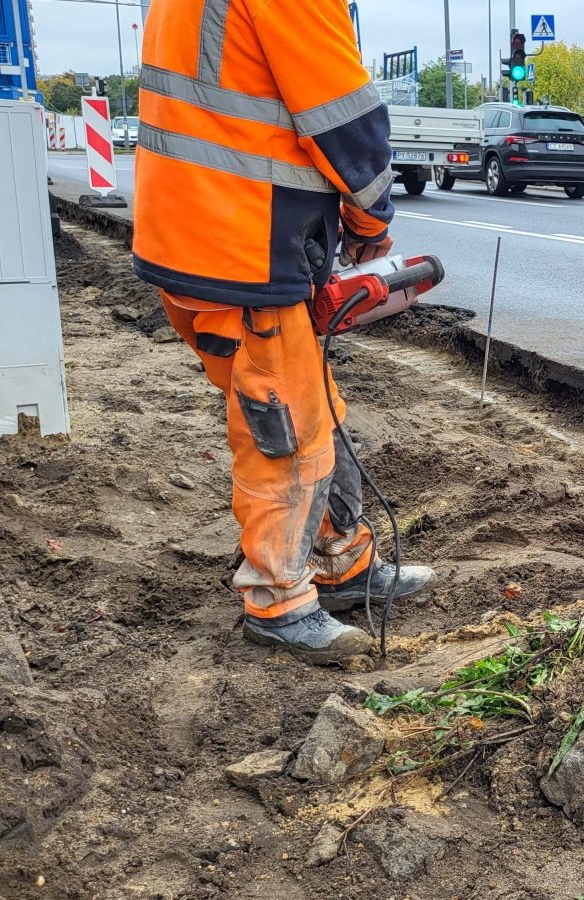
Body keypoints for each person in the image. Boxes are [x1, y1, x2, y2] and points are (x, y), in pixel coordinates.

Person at [130, 0, 431, 663]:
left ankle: (343, 566)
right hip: (240, 241)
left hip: (194, 234)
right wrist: (371, 222)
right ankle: (277, 602)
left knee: (308, 408)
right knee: (285, 430)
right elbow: (346, 119)